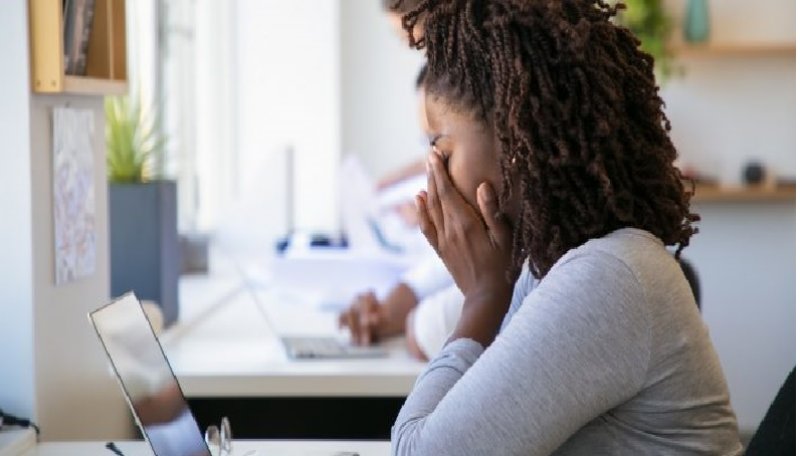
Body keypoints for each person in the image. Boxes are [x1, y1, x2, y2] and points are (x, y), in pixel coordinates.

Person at [390, 1, 743, 455]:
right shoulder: (549, 267)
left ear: (514, 137)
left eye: (441, 146)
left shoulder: (607, 276)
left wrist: (483, 298)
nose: (432, 169)